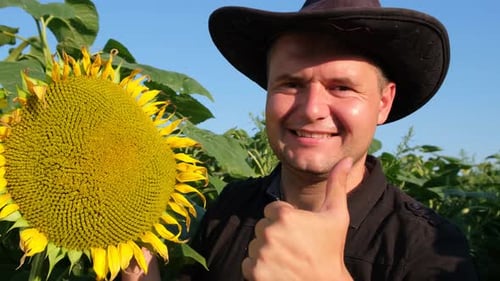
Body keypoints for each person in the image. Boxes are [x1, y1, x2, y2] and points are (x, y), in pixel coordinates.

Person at [123, 0, 478, 280]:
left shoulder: (429, 249)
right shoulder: (228, 209)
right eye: (290, 84)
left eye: (341, 87)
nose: (311, 110)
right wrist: (133, 255)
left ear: (383, 102)